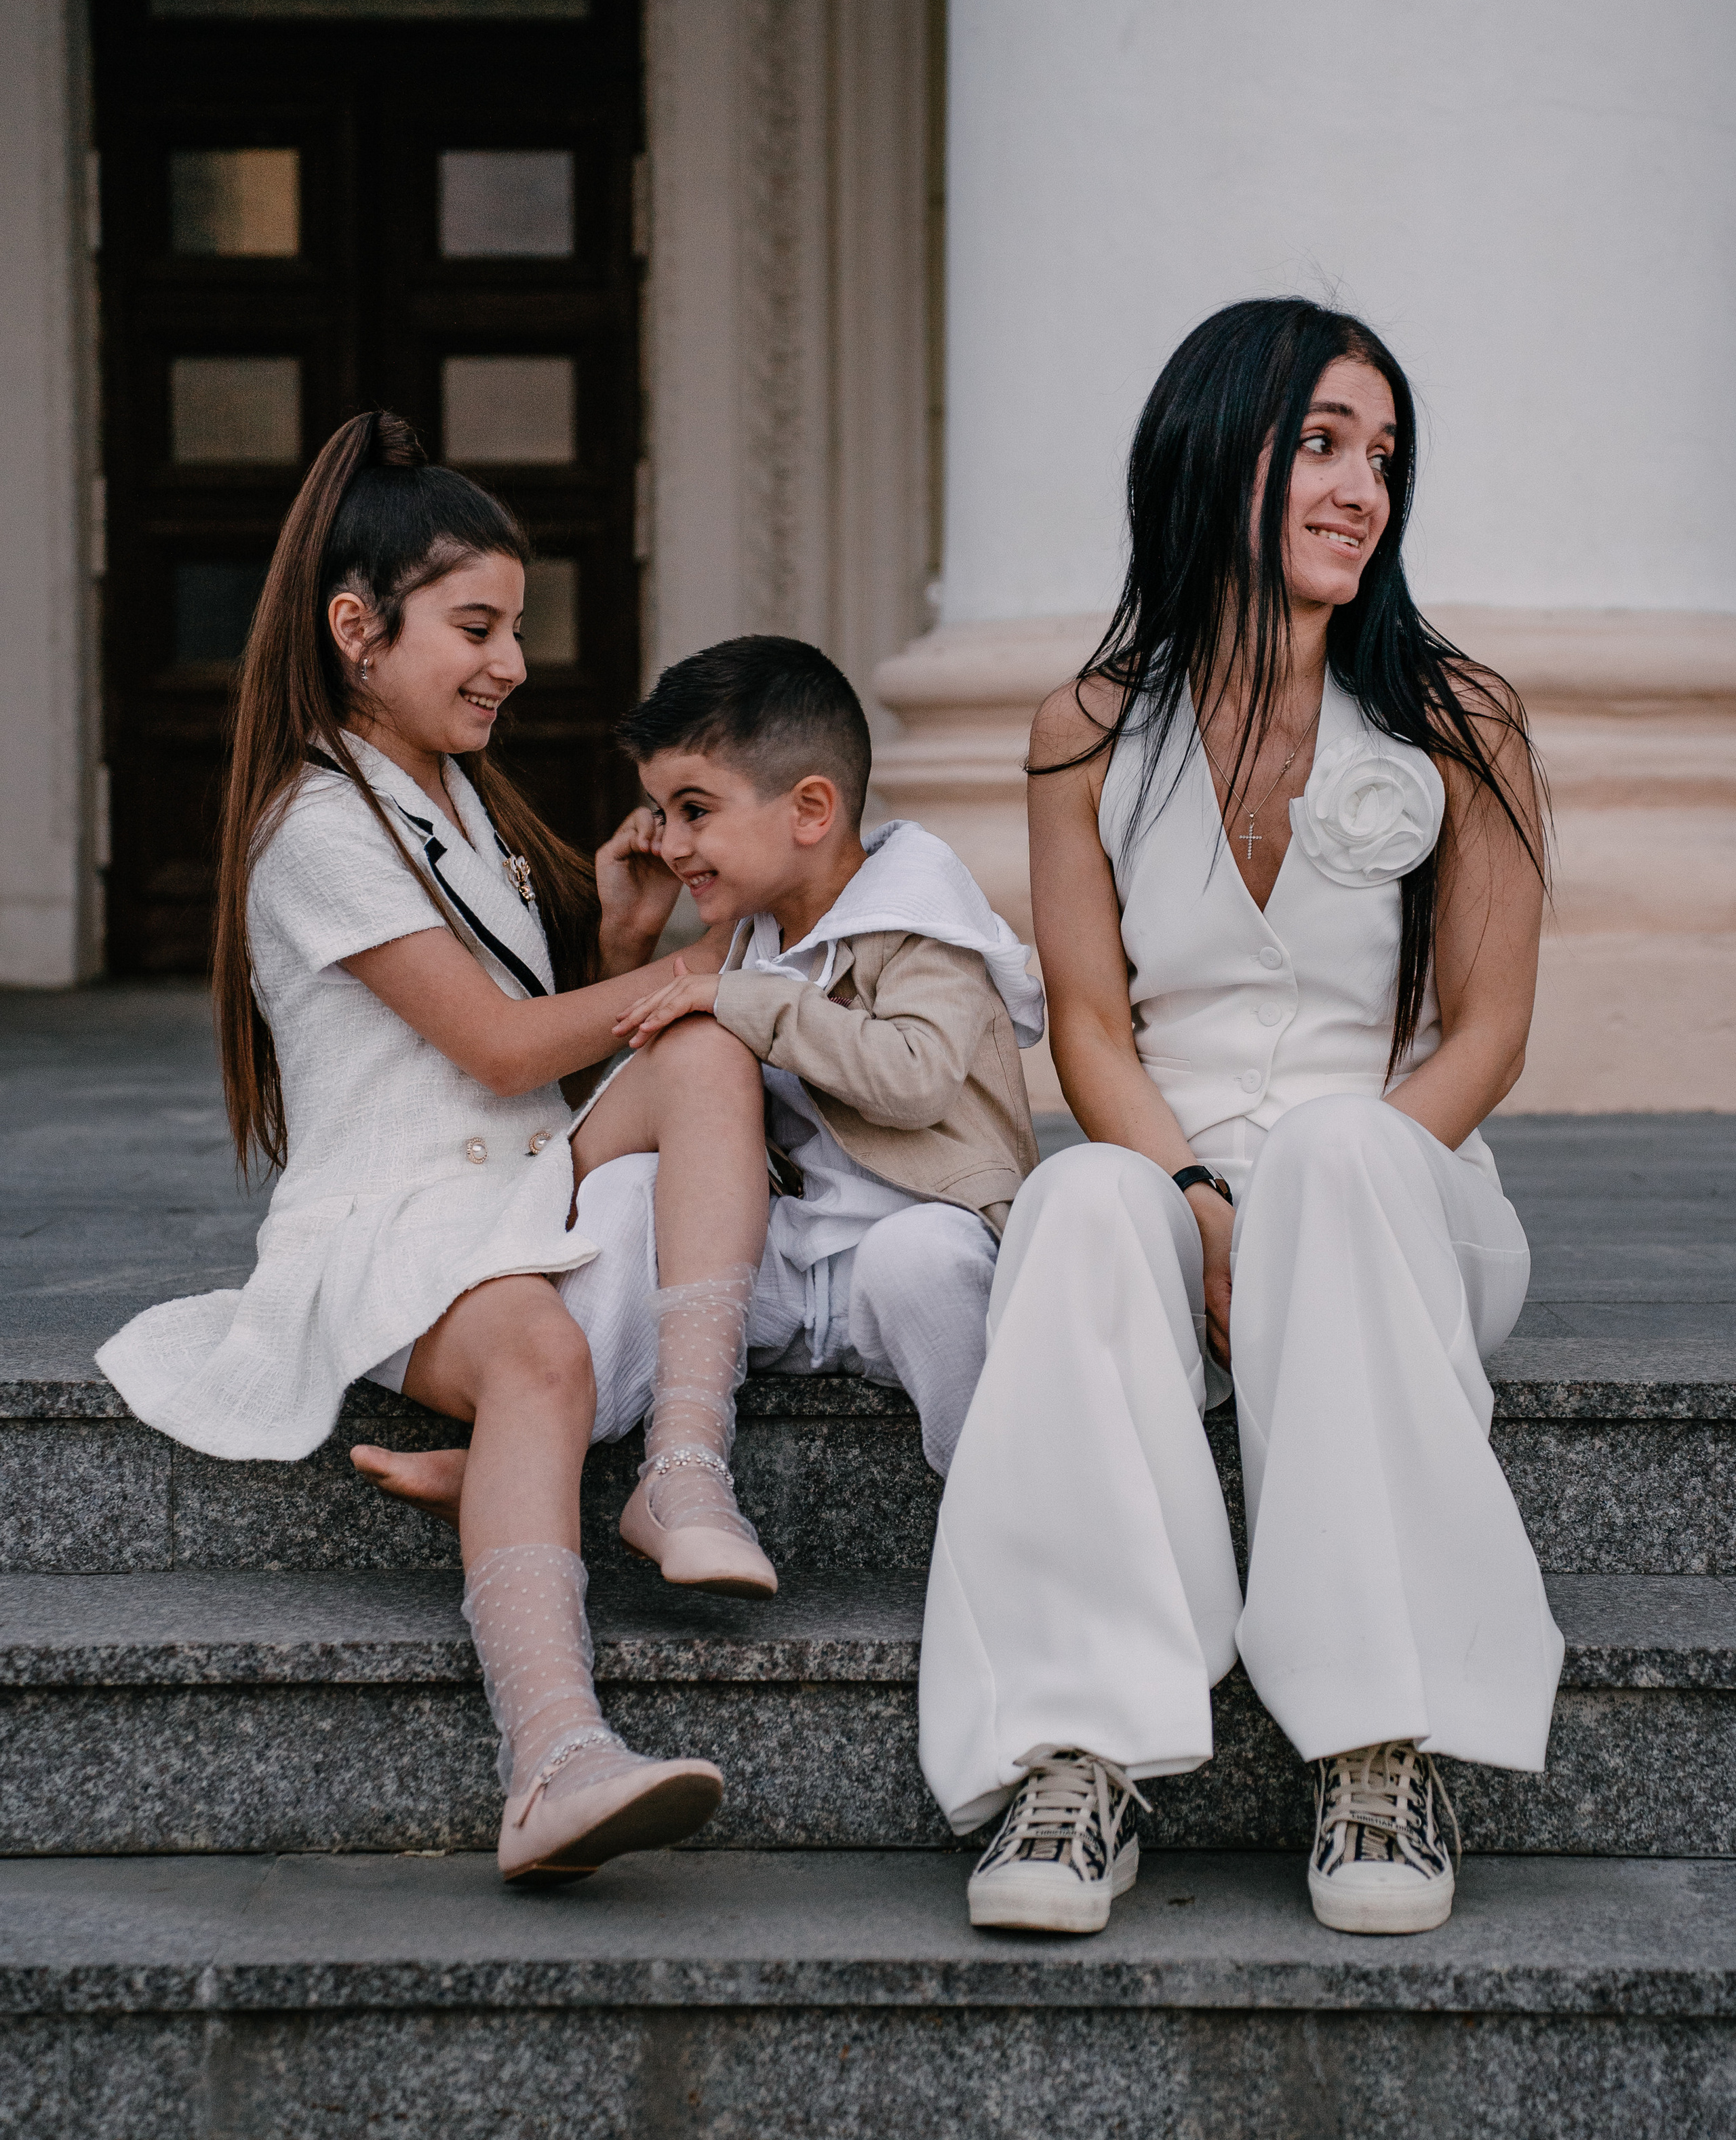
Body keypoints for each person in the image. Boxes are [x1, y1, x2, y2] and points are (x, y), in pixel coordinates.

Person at [917, 298, 1564, 1940]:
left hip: (1395, 1183)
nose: (1361, 489)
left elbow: (1484, 1034)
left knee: (1341, 1154)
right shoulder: (1086, 726)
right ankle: (1072, 1751)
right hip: (1169, 1167)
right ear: (1216, 453)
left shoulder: (1460, 717)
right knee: (1074, 1202)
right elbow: (1088, 1025)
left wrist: (1311, 1207)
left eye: (1382, 456)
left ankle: (1377, 1741)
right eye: (1321, 444)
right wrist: (1201, 1197)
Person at [98, 411, 776, 1884]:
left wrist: (627, 949)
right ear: (357, 630)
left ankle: (680, 1463)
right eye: (476, 628)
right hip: (395, 1218)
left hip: (513, 1182)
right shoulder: (313, 823)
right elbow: (498, 1048)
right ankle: (554, 1762)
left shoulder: (458, 794)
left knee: (710, 1055)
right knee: (540, 1351)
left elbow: (536, 1052)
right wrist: (696, 971)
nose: (511, 663)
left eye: (514, 629)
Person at [604, 636, 1045, 1479]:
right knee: (624, 1195)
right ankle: (548, 1440)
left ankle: (999, 1495)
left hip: (903, 1269)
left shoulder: (920, 920)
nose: (671, 844)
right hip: (787, 1273)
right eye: (661, 815)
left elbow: (915, 1078)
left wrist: (747, 1000)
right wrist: (626, 941)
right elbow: (648, 1109)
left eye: (694, 811)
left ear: (810, 810)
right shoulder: (756, 933)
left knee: (918, 1258)